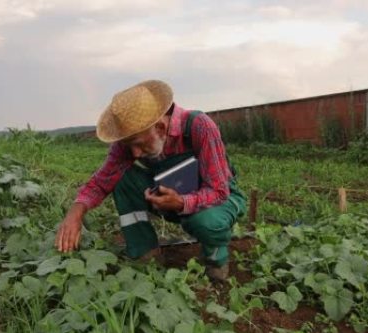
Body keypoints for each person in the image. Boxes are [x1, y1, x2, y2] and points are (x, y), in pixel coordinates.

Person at [55, 80, 245, 281]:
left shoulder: (200, 127)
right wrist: (75, 212)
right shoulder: (127, 145)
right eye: (129, 146)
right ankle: (146, 254)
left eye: (138, 144)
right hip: (167, 199)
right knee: (122, 178)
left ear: (161, 128)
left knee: (206, 221)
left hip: (217, 202)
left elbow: (219, 191)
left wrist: (182, 202)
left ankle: (215, 260)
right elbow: (102, 181)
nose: (135, 153)